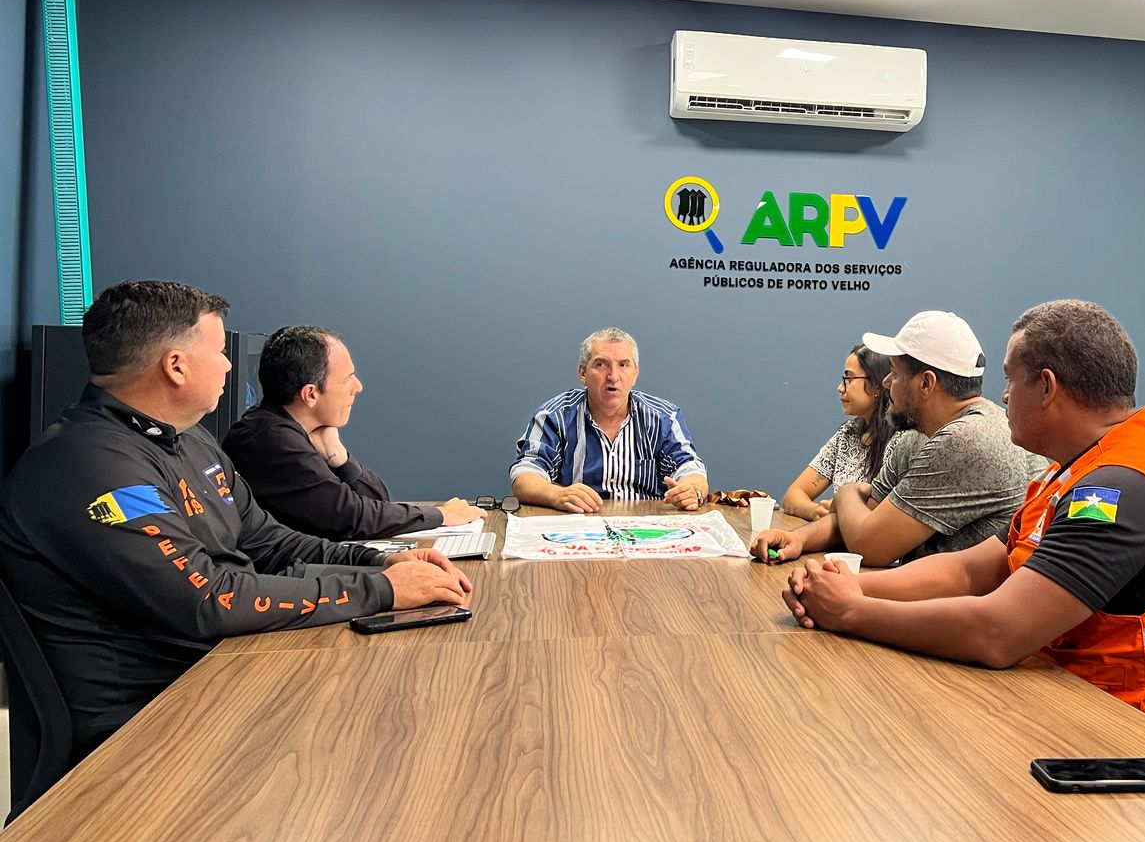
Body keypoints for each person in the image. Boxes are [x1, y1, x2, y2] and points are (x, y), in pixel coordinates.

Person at [0, 281, 473, 765]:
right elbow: (210, 599)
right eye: (220, 351)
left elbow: (270, 542)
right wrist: (381, 591)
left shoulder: (190, 442)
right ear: (176, 366)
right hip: (151, 732)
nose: (229, 365)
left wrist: (379, 563)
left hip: (222, 674)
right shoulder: (90, 465)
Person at [769, 300, 1145, 737]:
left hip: (1118, 740)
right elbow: (969, 570)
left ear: (1047, 387)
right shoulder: (1069, 473)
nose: (1005, 394)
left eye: (1011, 379)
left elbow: (997, 632)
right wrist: (851, 586)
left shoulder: (1117, 492)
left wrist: (852, 611)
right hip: (1056, 700)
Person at [754, 310, 1036, 570]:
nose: (887, 383)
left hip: (953, 605)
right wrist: (800, 538)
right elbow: (867, 515)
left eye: (895, 373)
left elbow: (870, 546)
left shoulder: (966, 438)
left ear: (926, 383)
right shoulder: (916, 437)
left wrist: (846, 493)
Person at [222, 325, 479, 539]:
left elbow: (378, 501)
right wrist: (442, 515)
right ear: (311, 394)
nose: (358, 387)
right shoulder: (270, 440)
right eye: (347, 378)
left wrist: (338, 456)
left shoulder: (291, 430)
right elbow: (354, 517)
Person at [510, 328, 708, 512]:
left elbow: (690, 468)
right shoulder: (555, 416)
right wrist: (557, 495)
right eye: (601, 364)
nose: (613, 376)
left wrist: (693, 490)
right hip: (576, 525)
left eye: (623, 365)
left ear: (635, 374)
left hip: (645, 527)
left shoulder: (663, 418)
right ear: (582, 373)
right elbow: (525, 475)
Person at [781, 342, 903, 520]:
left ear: (877, 385)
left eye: (849, 379)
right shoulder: (847, 434)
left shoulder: (901, 443)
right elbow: (793, 495)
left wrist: (839, 515)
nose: (840, 388)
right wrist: (816, 512)